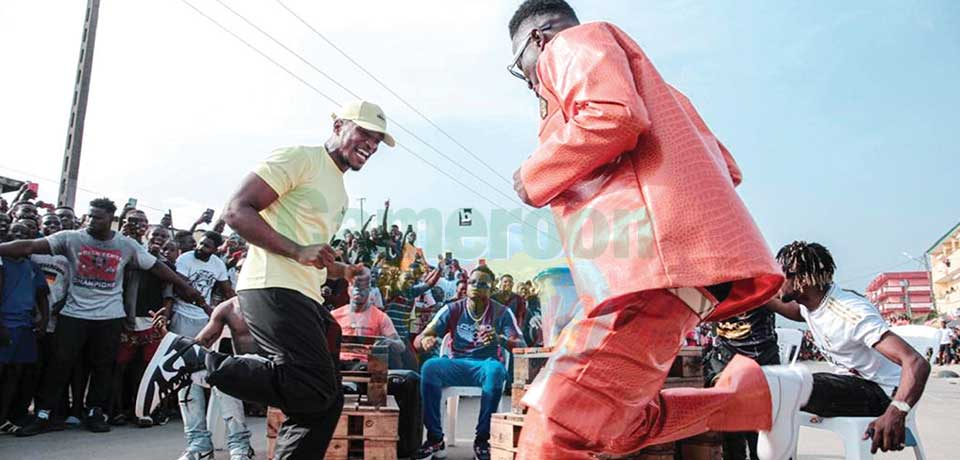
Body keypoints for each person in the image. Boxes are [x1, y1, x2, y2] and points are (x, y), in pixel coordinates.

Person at [504, 2, 805, 459]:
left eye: (518, 66)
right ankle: (750, 399)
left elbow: (612, 116)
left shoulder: (570, 44)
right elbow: (725, 169)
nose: (528, 81)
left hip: (648, 267)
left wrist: (534, 175)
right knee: (612, 425)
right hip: (680, 271)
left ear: (538, 39)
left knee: (554, 427)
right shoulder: (666, 94)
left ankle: (754, 398)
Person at [137, 100, 395, 460]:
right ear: (338, 126)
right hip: (273, 285)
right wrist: (296, 250)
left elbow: (306, 250)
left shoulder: (339, 190)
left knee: (323, 401)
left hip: (302, 291)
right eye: (364, 133)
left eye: (377, 140)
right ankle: (194, 358)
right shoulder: (301, 158)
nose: (370, 144)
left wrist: (339, 269)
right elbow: (236, 210)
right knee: (314, 386)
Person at [0, 197, 204, 437]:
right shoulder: (71, 237)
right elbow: (28, 247)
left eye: (97, 217)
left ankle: (96, 411)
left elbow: (156, 267)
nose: (91, 221)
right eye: (90, 216)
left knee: (103, 366)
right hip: (74, 314)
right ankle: (44, 413)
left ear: (110, 219)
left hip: (110, 316)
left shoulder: (126, 245)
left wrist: (184, 286)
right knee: (59, 364)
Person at [764, 241, 931, 455]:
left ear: (802, 280)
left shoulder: (850, 312)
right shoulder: (812, 304)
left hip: (883, 393)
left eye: (781, 274)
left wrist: (896, 412)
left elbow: (916, 363)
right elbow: (793, 311)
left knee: (785, 386)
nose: (775, 281)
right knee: (779, 385)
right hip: (852, 385)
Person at [413, 266, 525, 460]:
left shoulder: (502, 313)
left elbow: (521, 345)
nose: (476, 287)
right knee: (430, 367)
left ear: (491, 289)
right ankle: (435, 439)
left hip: (484, 365)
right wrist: (425, 341)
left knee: (496, 371)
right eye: (473, 282)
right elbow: (420, 338)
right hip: (456, 363)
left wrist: (499, 339)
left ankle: (482, 440)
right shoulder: (452, 308)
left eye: (482, 284)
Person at [704, 306, 781, 460]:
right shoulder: (715, 289)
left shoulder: (766, 287)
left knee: (761, 432)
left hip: (763, 357)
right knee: (731, 425)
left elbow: (792, 308)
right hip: (726, 356)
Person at [0, 222, 50, 433]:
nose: (19, 235)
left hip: (24, 327)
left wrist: (43, 320)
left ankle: (3, 418)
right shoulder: (1, 262)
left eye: (25, 234)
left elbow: (41, 295)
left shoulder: (32, 266)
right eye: (15, 232)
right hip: (5, 326)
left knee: (15, 374)